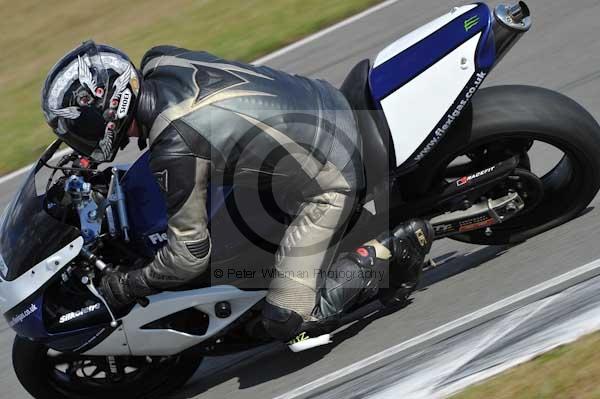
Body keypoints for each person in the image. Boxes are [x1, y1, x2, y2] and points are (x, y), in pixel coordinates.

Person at [41, 41, 434, 351]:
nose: (74, 137)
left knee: (288, 321)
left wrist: (127, 284)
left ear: (105, 110)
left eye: (76, 127)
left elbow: (188, 258)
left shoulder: (175, 146)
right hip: (317, 105)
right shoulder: (159, 62)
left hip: (331, 176)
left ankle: (392, 249)